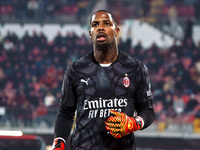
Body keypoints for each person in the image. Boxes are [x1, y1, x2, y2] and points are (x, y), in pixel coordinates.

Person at [52, 10, 155, 150]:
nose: (100, 27)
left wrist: (133, 123)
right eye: (95, 25)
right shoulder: (75, 70)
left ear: (117, 31)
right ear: (90, 34)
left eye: (106, 23)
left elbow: (147, 111)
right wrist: (58, 144)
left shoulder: (136, 68)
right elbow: (65, 113)